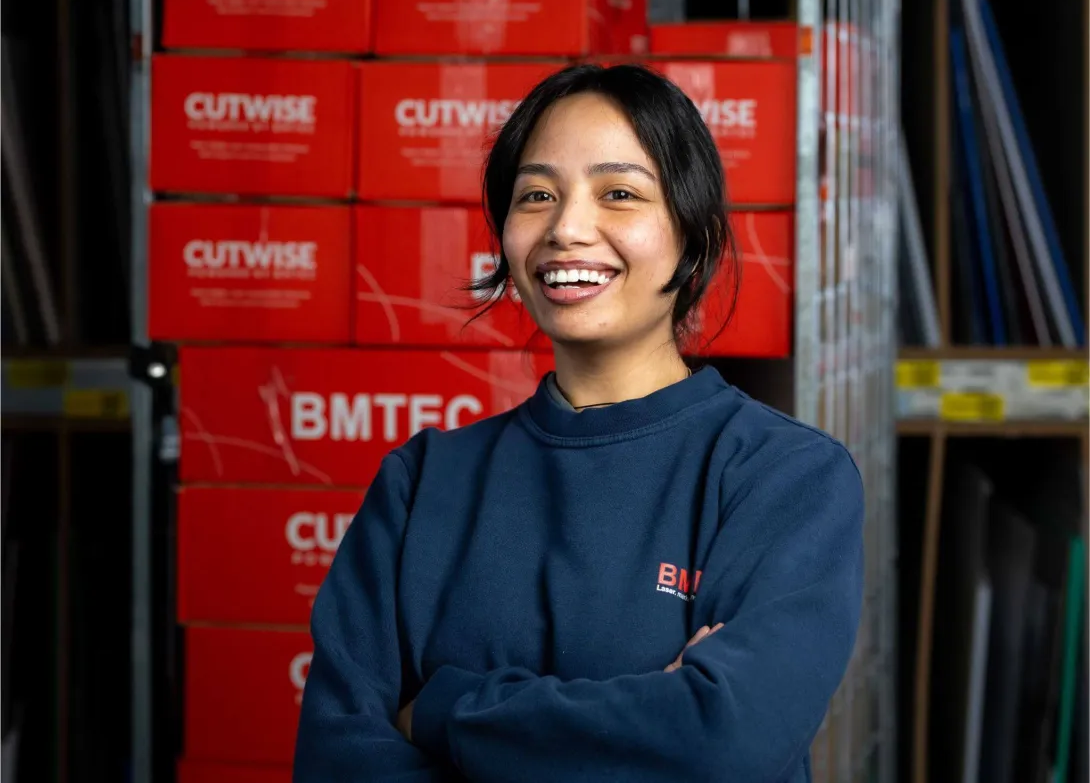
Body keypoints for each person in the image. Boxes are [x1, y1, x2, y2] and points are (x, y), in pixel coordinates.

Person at [292, 63, 864, 783]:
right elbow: (336, 759)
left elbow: (721, 743)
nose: (566, 228)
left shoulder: (785, 477)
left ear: (693, 237)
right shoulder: (422, 483)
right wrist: (645, 719)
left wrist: (445, 709)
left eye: (619, 193)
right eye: (537, 195)